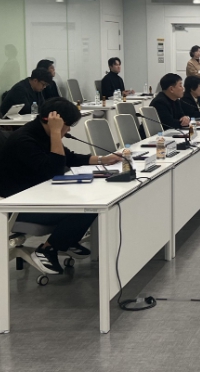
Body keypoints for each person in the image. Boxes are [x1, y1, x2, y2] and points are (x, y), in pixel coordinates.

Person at [0, 98, 121, 275]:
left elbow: (67, 158)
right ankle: (47, 249)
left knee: (92, 200)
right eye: (67, 125)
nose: (69, 130)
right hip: (18, 206)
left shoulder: (40, 133)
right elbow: (54, 170)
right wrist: (56, 133)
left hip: (39, 196)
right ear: (52, 121)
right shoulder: (24, 140)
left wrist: (103, 160)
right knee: (85, 207)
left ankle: (66, 240)